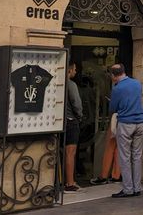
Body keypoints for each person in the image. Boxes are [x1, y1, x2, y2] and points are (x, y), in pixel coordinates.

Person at [108, 63, 143, 198]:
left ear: (113, 76)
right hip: (140, 123)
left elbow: (113, 107)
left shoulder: (117, 88)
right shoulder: (137, 83)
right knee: (137, 156)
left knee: (125, 157)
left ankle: (128, 189)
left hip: (126, 123)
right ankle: (137, 187)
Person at [64, 62, 83, 193]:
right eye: (75, 69)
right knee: (71, 153)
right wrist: (80, 116)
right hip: (71, 122)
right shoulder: (71, 84)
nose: (76, 72)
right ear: (70, 70)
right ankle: (70, 183)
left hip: (60, 122)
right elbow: (76, 103)